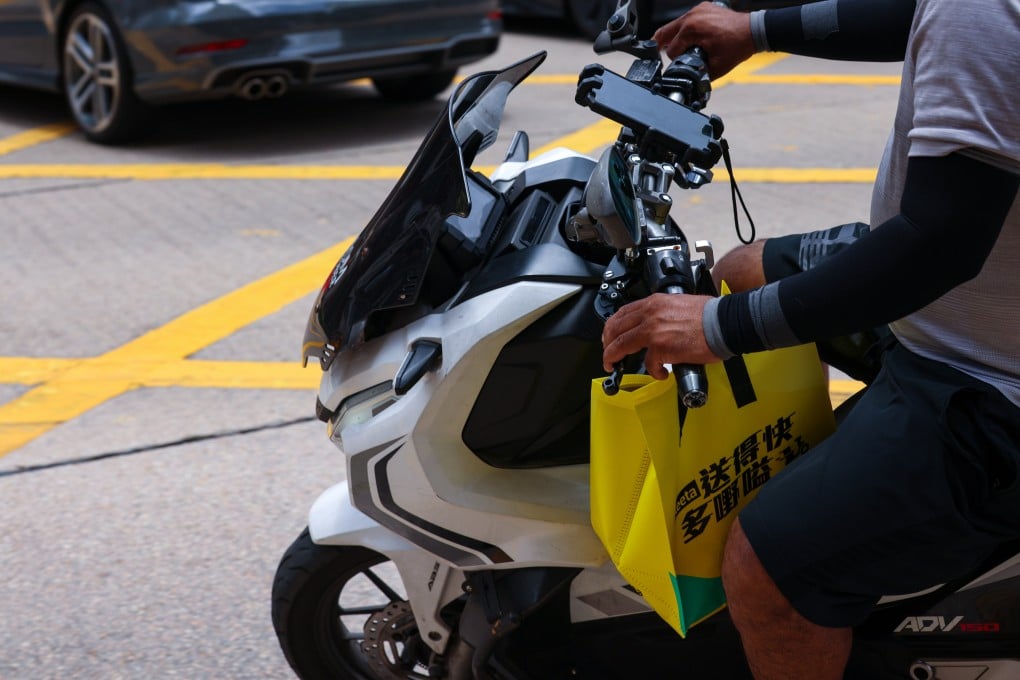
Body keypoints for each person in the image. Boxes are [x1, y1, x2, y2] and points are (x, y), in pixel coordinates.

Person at [601, 1, 1020, 678]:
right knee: (742, 269)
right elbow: (917, 15)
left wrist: (719, 330)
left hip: (986, 378)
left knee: (767, 565)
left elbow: (940, 245)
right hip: (974, 296)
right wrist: (755, 30)